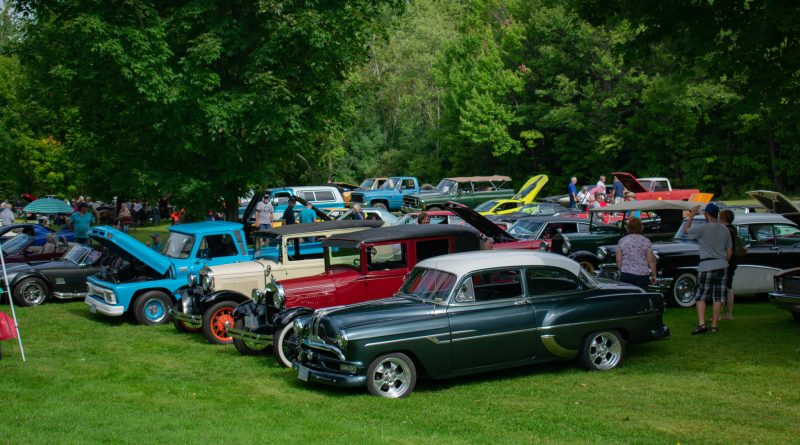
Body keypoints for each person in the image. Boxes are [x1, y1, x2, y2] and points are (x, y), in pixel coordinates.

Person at [685, 203, 732, 335]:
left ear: (707, 214)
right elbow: (729, 252)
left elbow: (687, 230)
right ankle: (714, 326)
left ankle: (702, 324)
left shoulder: (703, 228)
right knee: (718, 297)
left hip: (706, 265)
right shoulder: (725, 230)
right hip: (723, 265)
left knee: (701, 296)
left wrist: (692, 214)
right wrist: (723, 261)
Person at [616, 217, 657, 289]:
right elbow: (651, 260)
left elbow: (618, 260)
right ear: (641, 227)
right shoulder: (646, 241)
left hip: (626, 274)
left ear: (628, 228)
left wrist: (622, 270)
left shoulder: (622, 241)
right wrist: (654, 275)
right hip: (642, 275)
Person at [719, 209, 744, 320]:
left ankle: (720, 313)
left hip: (726, 261)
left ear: (723, 218)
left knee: (723, 287)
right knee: (729, 287)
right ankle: (729, 313)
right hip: (733, 261)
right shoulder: (734, 229)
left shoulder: (725, 230)